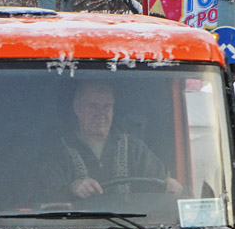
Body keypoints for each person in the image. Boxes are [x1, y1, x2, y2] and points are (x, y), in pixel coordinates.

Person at [51, 81, 182, 200]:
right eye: (93, 106)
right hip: (74, 225)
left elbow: (157, 184)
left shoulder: (135, 148)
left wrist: (170, 185)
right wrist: (72, 188)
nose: (101, 114)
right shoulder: (57, 150)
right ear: (77, 108)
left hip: (133, 225)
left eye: (106, 107)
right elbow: (42, 195)